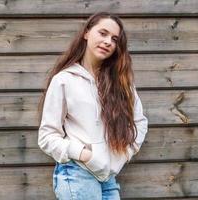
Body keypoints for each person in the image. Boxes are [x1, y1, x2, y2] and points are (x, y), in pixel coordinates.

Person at [37, 12, 148, 200]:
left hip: (109, 178)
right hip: (77, 173)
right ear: (86, 33)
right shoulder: (64, 80)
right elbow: (47, 136)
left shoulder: (121, 83)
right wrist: (85, 155)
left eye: (114, 39)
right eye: (102, 33)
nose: (108, 42)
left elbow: (140, 122)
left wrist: (124, 154)